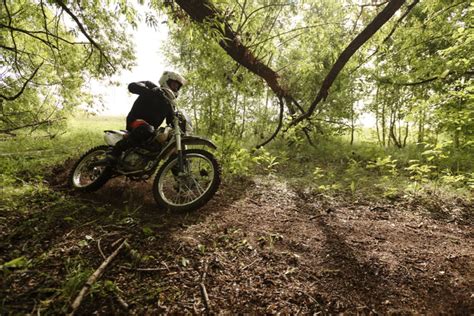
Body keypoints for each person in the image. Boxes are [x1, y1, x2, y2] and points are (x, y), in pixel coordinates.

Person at [101, 71, 186, 165]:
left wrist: (180, 124)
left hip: (151, 131)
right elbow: (132, 86)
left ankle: (180, 173)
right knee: (147, 128)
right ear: (166, 81)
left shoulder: (169, 104)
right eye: (174, 84)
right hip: (135, 122)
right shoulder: (152, 87)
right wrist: (147, 90)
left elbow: (171, 121)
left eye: (177, 86)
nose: (175, 88)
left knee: (169, 141)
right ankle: (115, 152)